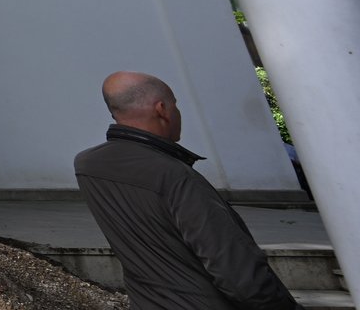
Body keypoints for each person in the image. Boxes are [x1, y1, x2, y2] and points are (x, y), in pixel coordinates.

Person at [74, 71, 299, 309]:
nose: (177, 112)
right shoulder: (174, 176)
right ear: (161, 109)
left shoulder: (89, 165)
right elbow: (237, 272)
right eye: (175, 105)